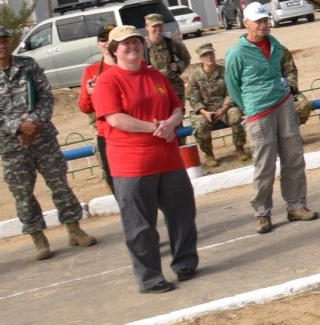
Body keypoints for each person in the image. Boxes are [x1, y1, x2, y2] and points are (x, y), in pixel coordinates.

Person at [0, 25, 98, 261]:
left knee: (59, 183)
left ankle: (74, 229)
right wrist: (18, 127)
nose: (1, 46)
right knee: (23, 193)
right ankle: (38, 239)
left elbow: (46, 97)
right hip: (12, 145)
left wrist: (33, 122)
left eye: (4, 40)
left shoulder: (28, 66)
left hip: (43, 137)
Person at [90, 25, 199, 293]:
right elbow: (115, 118)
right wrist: (155, 127)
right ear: (115, 50)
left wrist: (172, 122)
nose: (133, 46)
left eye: (136, 42)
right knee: (140, 226)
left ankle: (185, 263)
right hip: (132, 165)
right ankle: (150, 278)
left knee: (182, 214)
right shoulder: (107, 80)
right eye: (126, 43)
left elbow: (176, 105)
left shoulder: (155, 76)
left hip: (168, 158)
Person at [223, 1, 316, 234]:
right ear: (246, 24)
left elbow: (285, 71)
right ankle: (262, 213)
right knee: (264, 165)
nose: (263, 25)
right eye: (258, 21)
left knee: (293, 156)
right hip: (258, 112)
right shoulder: (236, 53)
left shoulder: (275, 45)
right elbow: (233, 85)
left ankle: (296, 206)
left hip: (282, 104)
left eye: (265, 20)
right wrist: (249, 107)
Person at [182, 42, 249, 167]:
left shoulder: (224, 72)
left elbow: (231, 92)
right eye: (205, 55)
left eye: (211, 53)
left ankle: (240, 148)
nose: (209, 57)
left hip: (225, 107)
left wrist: (223, 109)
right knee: (200, 124)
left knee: (236, 115)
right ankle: (209, 154)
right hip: (205, 110)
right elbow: (194, 99)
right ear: (201, 58)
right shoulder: (195, 77)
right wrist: (204, 112)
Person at [75, 22, 117, 187]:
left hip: (136, 131)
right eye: (103, 39)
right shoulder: (91, 72)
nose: (107, 43)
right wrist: (90, 93)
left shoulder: (136, 65)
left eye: (111, 38)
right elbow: (85, 108)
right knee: (113, 179)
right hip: (106, 133)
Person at [143, 11, 191, 95]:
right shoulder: (141, 46)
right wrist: (144, 69)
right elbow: (131, 68)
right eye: (154, 26)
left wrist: (178, 66)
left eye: (160, 25)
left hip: (174, 88)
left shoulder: (170, 43)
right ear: (147, 27)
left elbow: (186, 58)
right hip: (153, 89)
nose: (158, 28)